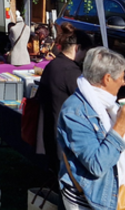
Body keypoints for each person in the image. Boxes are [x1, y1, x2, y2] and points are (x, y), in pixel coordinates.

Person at [57, 48, 125, 210]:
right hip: (91, 201)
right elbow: (96, 165)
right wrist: (121, 126)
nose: (124, 83)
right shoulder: (75, 112)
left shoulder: (107, 106)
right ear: (107, 79)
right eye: (122, 77)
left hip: (115, 195)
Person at [39, 23, 93, 175]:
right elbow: (88, 102)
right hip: (65, 137)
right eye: (85, 53)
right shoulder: (70, 71)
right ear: (77, 48)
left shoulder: (53, 65)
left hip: (51, 133)